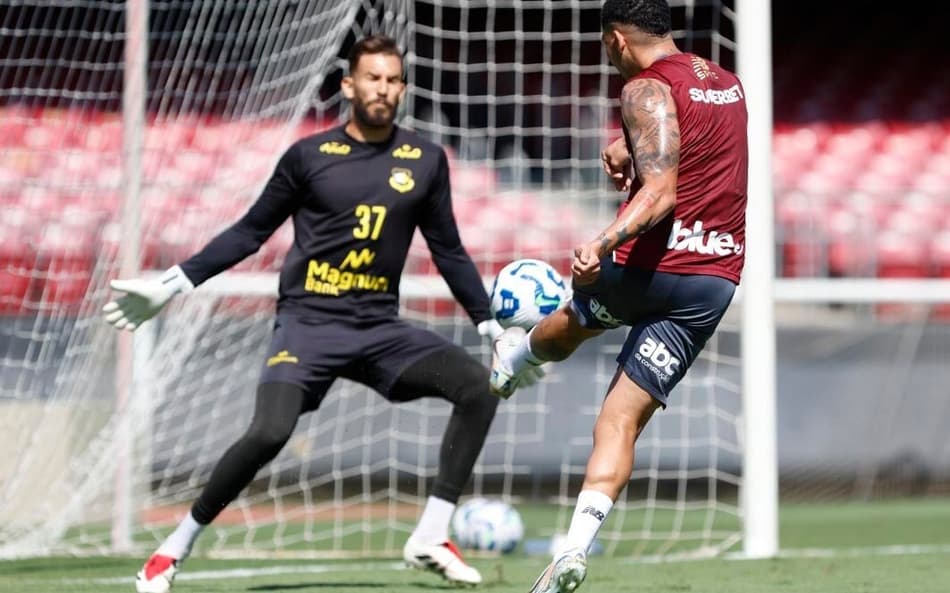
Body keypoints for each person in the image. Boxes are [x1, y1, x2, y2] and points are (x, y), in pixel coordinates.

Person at [103, 34, 541, 593]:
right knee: (269, 431)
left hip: (379, 329)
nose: (383, 89)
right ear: (349, 85)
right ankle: (172, 550)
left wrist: (491, 328)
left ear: (402, 88)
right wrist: (171, 284)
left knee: (480, 388)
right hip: (307, 326)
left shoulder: (425, 160)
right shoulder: (309, 157)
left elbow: (449, 251)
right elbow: (251, 229)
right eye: (373, 78)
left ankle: (432, 533)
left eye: (392, 80)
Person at [489, 1, 748, 591]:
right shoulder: (727, 83)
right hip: (713, 281)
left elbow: (660, 193)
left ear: (616, 41)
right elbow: (698, 148)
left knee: (577, 320)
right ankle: (573, 551)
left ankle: (515, 357)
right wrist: (626, 145)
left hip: (649, 270)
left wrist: (598, 245)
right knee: (621, 421)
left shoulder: (643, 89)